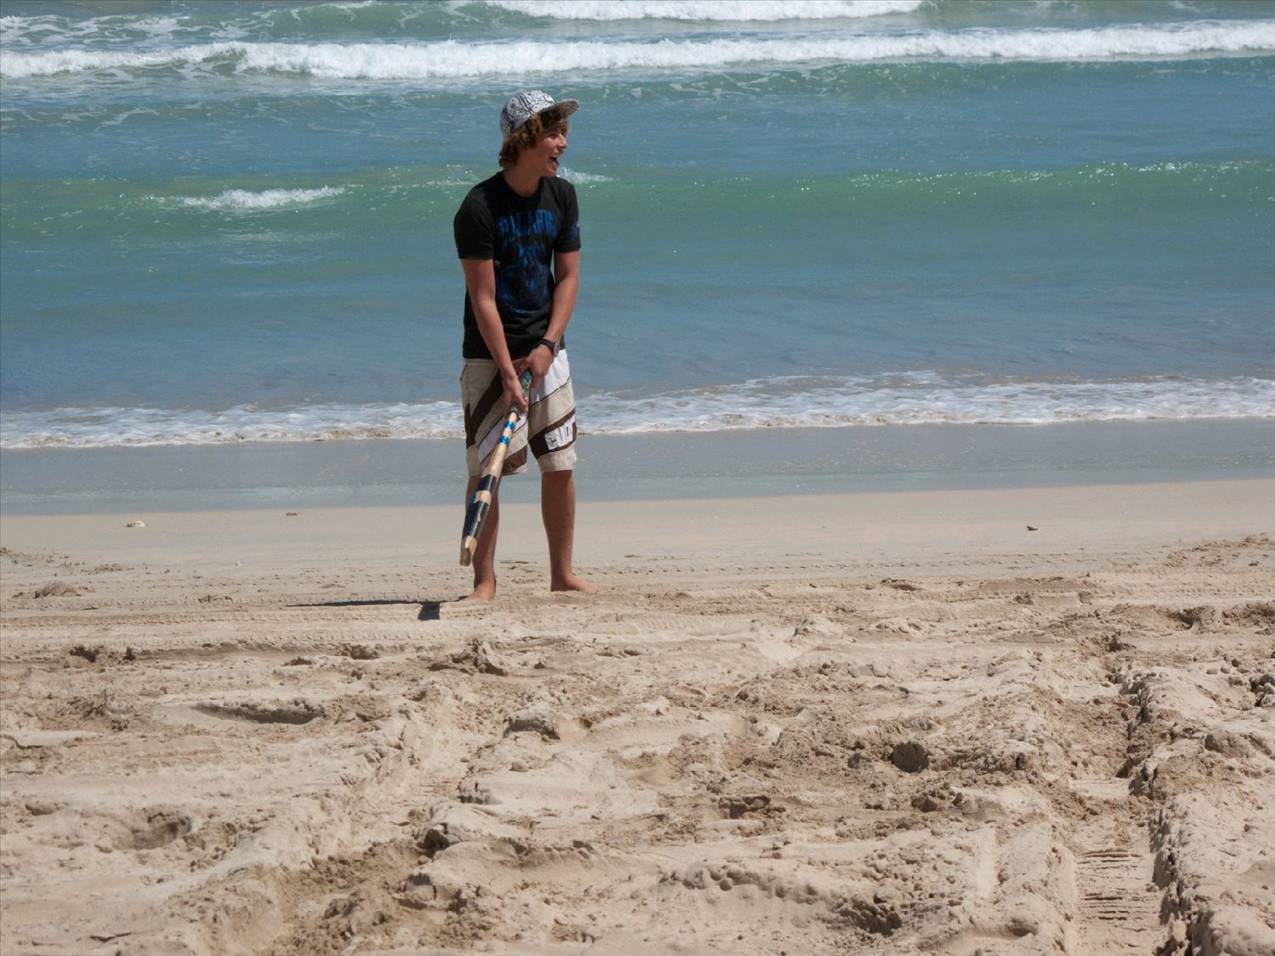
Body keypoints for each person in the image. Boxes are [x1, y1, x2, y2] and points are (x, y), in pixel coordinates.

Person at [453, 90, 596, 601]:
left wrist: (548, 344)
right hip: (489, 356)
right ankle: (484, 581)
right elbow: (483, 298)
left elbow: (569, 277)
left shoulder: (563, 196)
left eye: (563, 133)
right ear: (524, 140)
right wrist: (509, 373)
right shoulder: (478, 207)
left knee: (559, 464)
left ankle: (562, 574)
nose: (562, 144)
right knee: (485, 472)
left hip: (548, 351)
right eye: (553, 134)